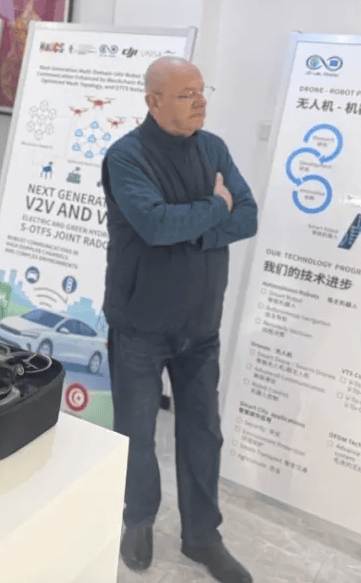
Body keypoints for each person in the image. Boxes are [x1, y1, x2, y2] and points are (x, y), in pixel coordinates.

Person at [101, 56, 258, 583]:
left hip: (201, 325)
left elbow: (248, 215)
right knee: (136, 434)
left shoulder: (213, 148)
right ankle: (137, 520)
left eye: (202, 90)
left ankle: (202, 537)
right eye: (187, 94)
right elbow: (153, 225)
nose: (200, 101)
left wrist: (197, 224)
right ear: (153, 101)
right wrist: (215, 208)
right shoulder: (126, 157)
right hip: (140, 324)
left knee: (202, 434)